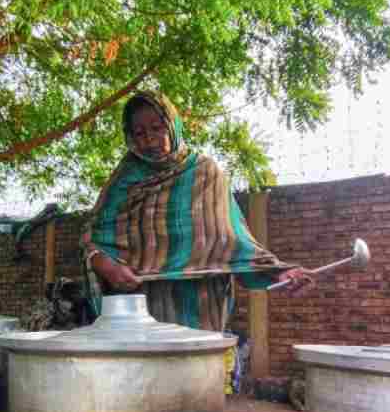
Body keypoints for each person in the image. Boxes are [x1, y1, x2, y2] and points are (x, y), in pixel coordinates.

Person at [81, 91, 313, 332]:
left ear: (173, 126)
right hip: (140, 311)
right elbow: (92, 238)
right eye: (139, 133)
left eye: (157, 128)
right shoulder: (123, 181)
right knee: (141, 369)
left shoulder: (205, 173)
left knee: (195, 366)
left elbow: (234, 240)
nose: (149, 140)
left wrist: (280, 273)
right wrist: (107, 266)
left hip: (199, 309)